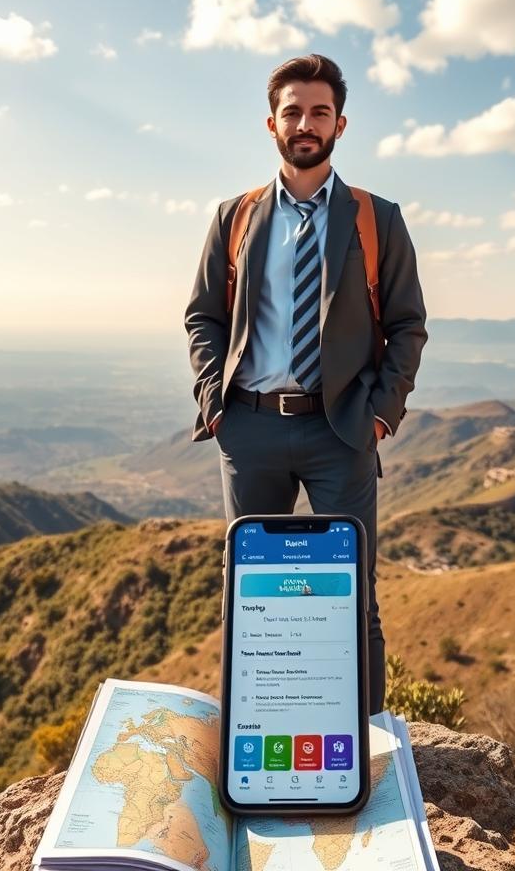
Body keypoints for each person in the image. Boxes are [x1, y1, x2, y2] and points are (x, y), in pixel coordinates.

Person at [184, 54, 427, 713]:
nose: (305, 123)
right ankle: (260, 745)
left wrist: (379, 416)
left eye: (319, 111)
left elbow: (408, 325)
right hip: (250, 426)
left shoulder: (377, 220)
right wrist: (215, 403)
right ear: (272, 124)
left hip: (340, 428)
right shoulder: (233, 217)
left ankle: (366, 749)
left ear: (340, 123)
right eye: (293, 111)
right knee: (252, 596)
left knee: (352, 598)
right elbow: (203, 316)